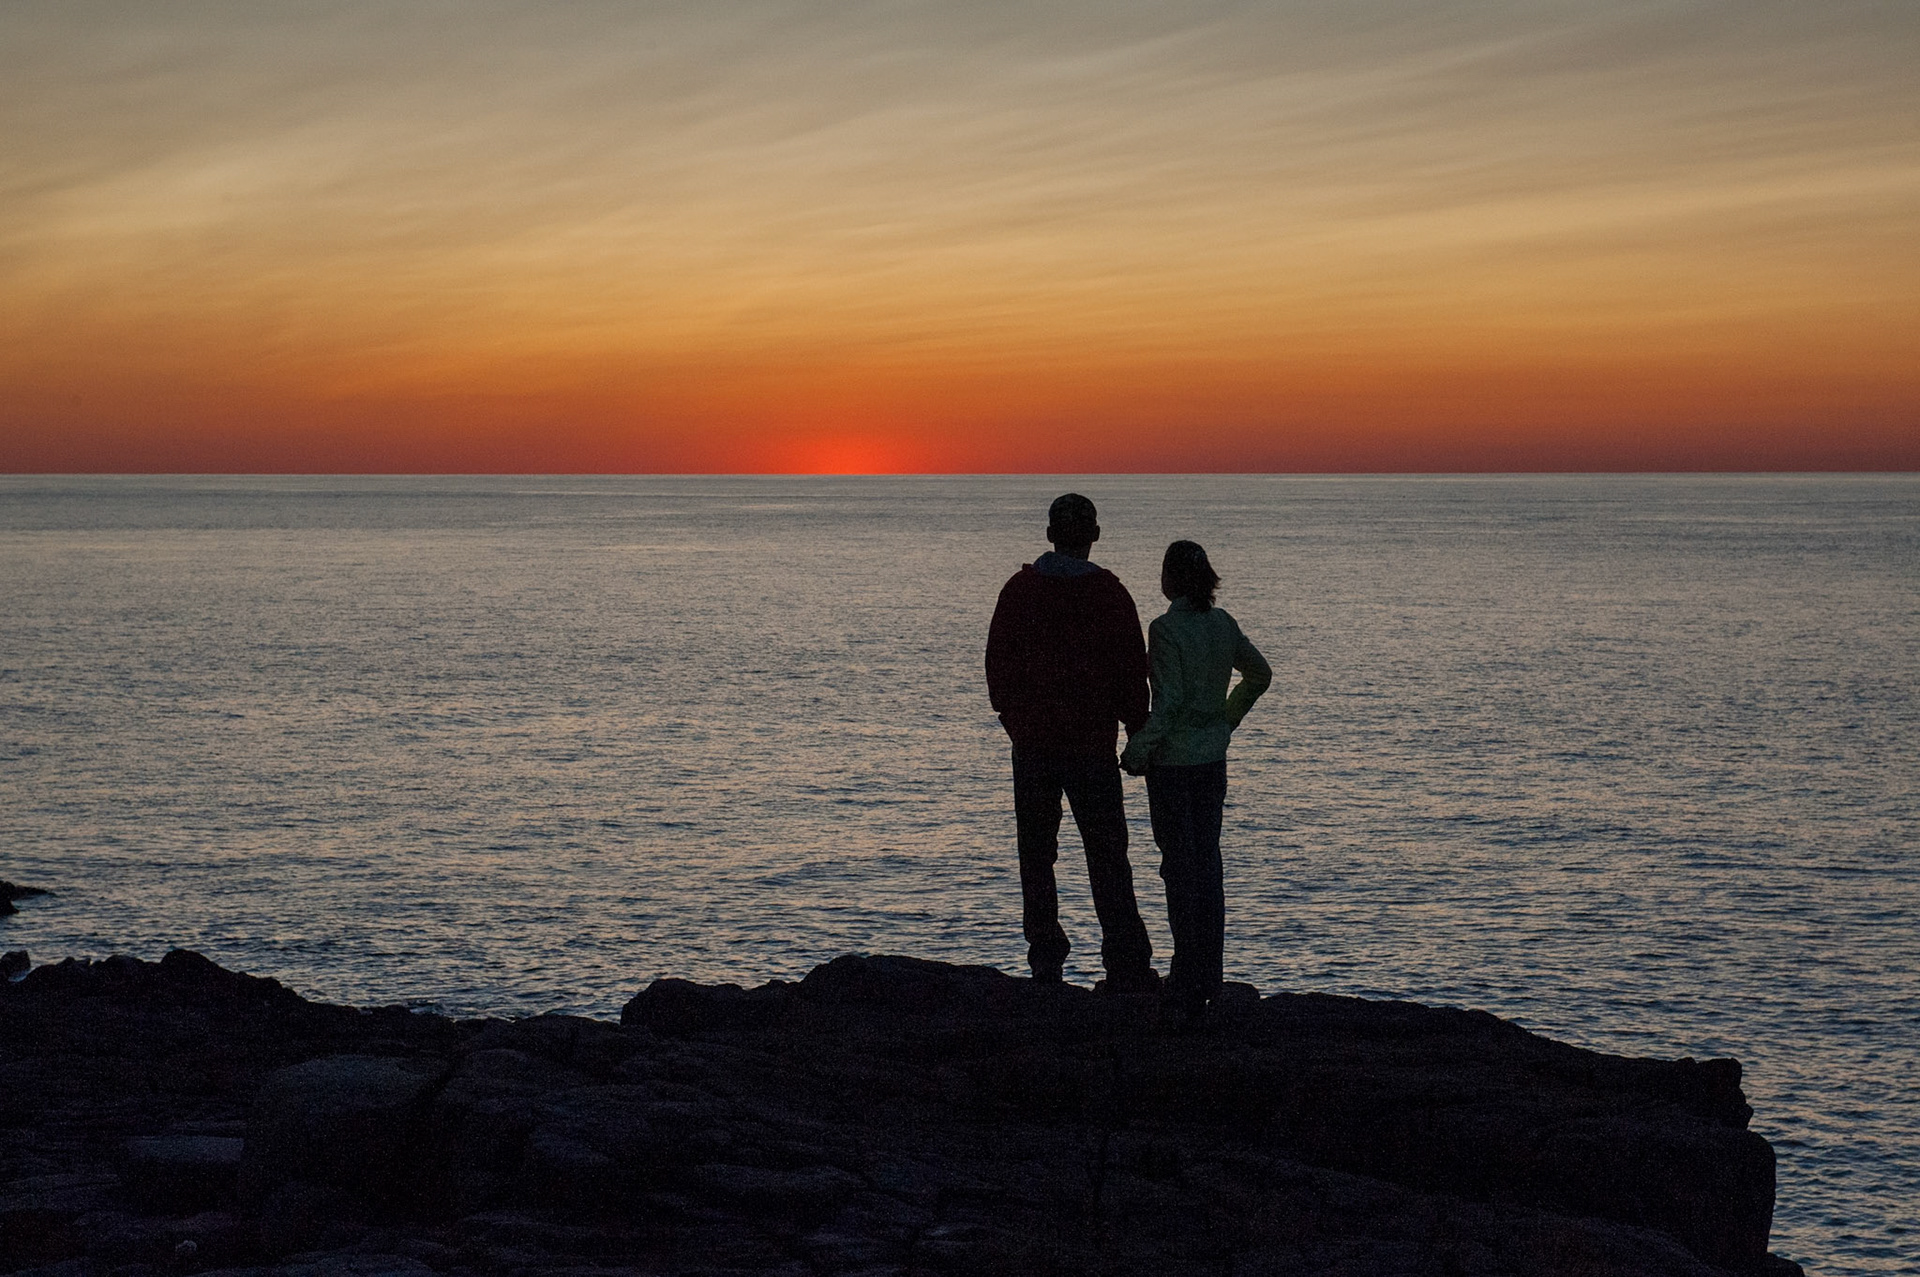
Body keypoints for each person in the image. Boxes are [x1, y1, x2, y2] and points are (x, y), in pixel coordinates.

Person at [985, 493, 1157, 991]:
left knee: (1037, 854)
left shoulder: (1020, 589)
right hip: (1089, 745)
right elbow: (1131, 669)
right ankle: (1125, 960)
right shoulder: (1110, 593)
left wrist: (1014, 720)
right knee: (1107, 853)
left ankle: (1045, 958)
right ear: (1095, 536)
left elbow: (999, 662)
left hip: (1035, 744)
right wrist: (1137, 729)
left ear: (1049, 535)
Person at [1120, 540, 1270, 1023]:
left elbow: (1169, 702)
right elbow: (1258, 675)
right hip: (1212, 760)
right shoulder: (1222, 623)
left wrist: (1137, 751)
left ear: (1172, 578)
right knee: (1208, 864)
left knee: (1178, 867)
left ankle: (1186, 974)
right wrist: (1226, 720)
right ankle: (1209, 973)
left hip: (1173, 765)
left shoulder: (1164, 630)